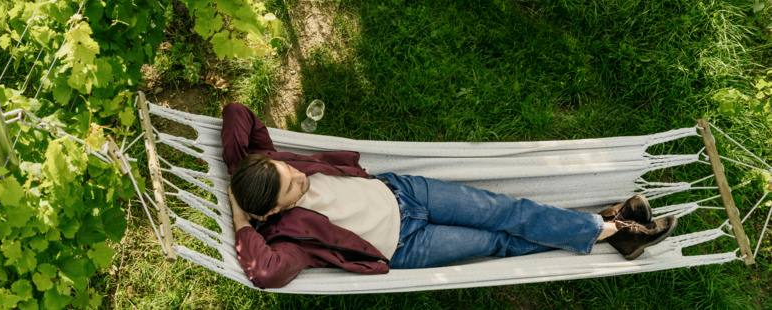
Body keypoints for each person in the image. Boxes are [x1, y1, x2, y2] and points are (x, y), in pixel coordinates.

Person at [223, 102, 678, 289]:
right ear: (275, 209)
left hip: (405, 193)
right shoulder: (284, 239)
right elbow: (265, 273)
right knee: (498, 242)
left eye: (289, 171)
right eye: (291, 187)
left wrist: (237, 174)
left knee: (508, 211)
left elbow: (236, 113)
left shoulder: (264, 163)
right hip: (406, 246)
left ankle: (607, 227)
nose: (299, 177)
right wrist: (242, 218)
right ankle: (613, 227)